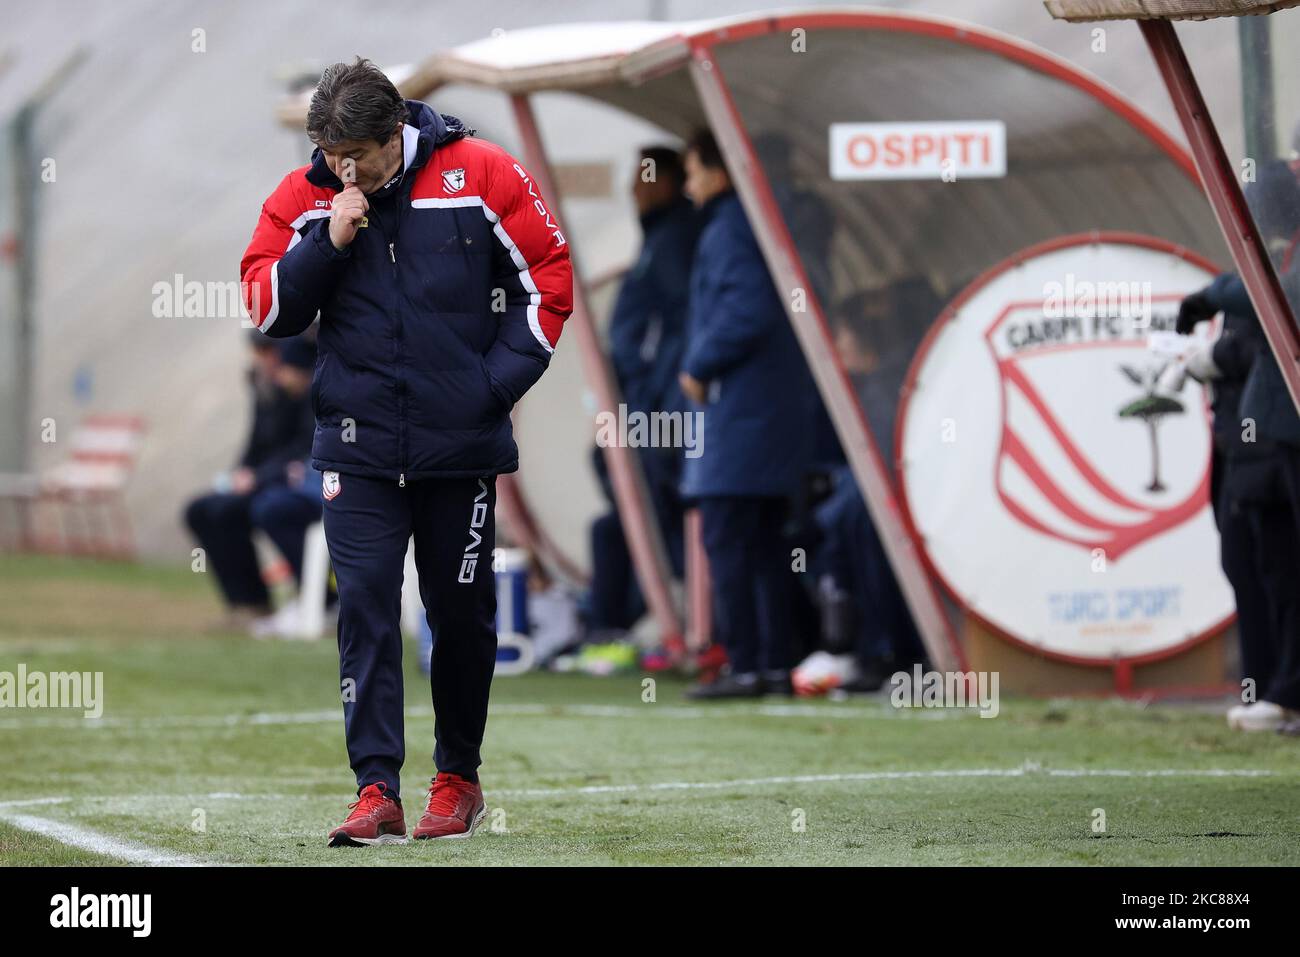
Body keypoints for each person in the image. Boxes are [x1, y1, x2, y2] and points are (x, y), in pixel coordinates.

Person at [240, 58, 571, 844]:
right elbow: (266, 306)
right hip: (354, 451)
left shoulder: (481, 173)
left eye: (358, 154)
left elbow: (548, 278)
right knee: (363, 609)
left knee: (459, 617)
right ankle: (375, 787)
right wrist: (329, 240)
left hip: (460, 445)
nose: (343, 168)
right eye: (330, 155)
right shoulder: (306, 195)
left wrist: (492, 385)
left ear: (398, 134)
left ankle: (458, 777)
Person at [677, 129, 814, 700]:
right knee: (764, 543)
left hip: (742, 412)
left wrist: (700, 366)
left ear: (721, 172)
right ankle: (775, 663)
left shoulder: (731, 224)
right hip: (770, 409)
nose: (687, 186)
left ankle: (745, 663)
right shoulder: (768, 217)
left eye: (692, 171)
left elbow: (746, 307)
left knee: (730, 536)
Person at [1177, 159, 1300, 732]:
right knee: (1256, 563)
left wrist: (1216, 352)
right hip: (1248, 442)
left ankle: (1281, 691)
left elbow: (1266, 310)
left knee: (1277, 566)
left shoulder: (1274, 267)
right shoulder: (1260, 264)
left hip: (1270, 442)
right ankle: (1267, 687)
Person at [585, 146, 698, 644]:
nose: (636, 188)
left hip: (657, 407)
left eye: (647, 178)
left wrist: (649, 397)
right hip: (640, 401)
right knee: (617, 491)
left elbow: (672, 330)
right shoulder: (658, 237)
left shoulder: (675, 239)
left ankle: (674, 602)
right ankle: (626, 615)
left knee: (653, 495)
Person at [183, 333, 315, 630]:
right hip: (264, 478)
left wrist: (259, 477)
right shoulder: (262, 383)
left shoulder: (304, 382)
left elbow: (304, 445)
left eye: (268, 350)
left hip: (290, 481)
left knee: (250, 510)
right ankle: (248, 602)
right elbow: (256, 441)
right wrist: (240, 474)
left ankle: (321, 596)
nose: (262, 357)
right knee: (202, 510)